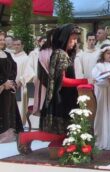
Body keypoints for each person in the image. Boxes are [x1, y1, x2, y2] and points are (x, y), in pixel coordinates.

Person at [17, 24, 88, 154]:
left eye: (76, 39)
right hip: (59, 99)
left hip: (66, 97)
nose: (75, 42)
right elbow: (62, 81)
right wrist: (84, 81)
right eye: (72, 39)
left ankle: (56, 148)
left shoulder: (65, 53)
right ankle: (25, 137)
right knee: (58, 134)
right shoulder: (59, 54)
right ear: (64, 38)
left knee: (66, 132)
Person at [0, 31, 24, 142]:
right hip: (1, 88)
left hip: (8, 89)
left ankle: (9, 134)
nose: (2, 41)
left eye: (3, 39)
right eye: (0, 39)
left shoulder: (8, 54)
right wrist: (3, 83)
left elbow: (14, 69)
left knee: (9, 109)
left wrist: (11, 82)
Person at [11, 38, 35, 123]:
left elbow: (29, 73)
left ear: (22, 46)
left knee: (18, 107)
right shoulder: (10, 56)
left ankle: (19, 126)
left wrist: (19, 82)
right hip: (8, 86)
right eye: (15, 44)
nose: (16, 46)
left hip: (19, 87)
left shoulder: (26, 58)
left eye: (18, 44)